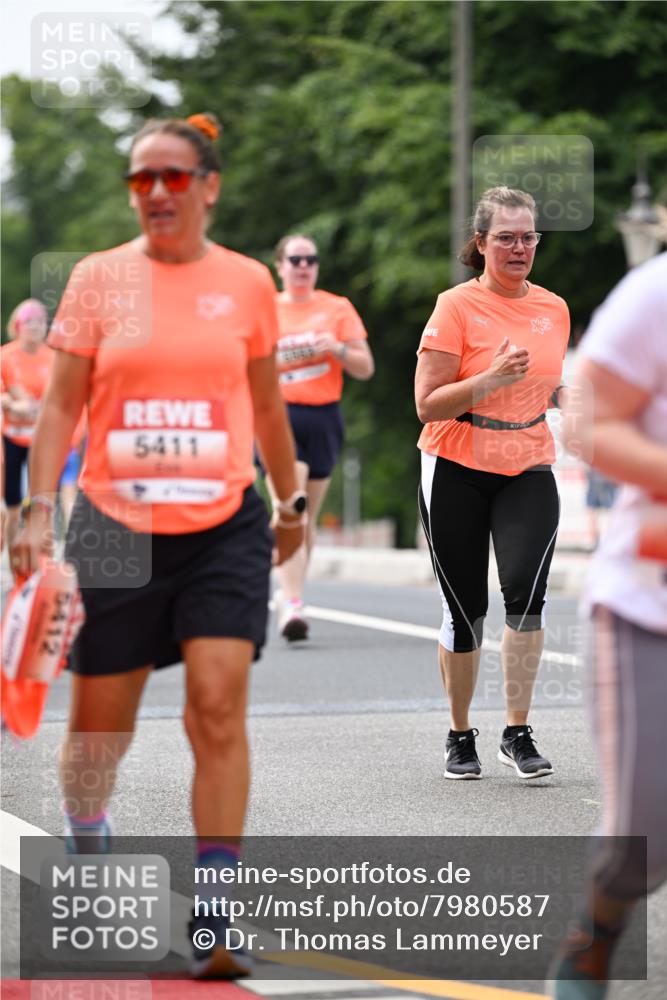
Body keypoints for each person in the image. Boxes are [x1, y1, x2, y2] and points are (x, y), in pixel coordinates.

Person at [10, 112, 305, 980]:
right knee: (99, 733)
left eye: (174, 176)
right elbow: (61, 405)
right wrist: (36, 506)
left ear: (208, 187)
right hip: (115, 530)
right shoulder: (99, 278)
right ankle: (88, 837)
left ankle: (215, 917)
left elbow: (268, 403)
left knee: (216, 707)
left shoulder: (247, 282)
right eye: (142, 178)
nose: (157, 192)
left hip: (223, 524)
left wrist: (289, 499)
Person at [414, 186, 570, 780]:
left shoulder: (554, 307)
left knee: (527, 597)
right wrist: (489, 378)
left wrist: (567, 397)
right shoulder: (455, 306)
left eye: (528, 237)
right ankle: (460, 735)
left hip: (528, 461)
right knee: (466, 610)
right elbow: (427, 404)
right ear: (481, 243)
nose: (519, 248)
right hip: (456, 462)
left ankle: (517, 731)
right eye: (506, 237)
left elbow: (544, 382)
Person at [550, 251, 667, 998]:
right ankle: (592, 939)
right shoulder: (656, 293)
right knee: (643, 836)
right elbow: (586, 420)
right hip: (649, 609)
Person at [270, 233, 374, 640]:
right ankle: (293, 604)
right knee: (290, 506)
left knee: (306, 517)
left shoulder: (337, 308)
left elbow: (365, 367)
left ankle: (289, 589)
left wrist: (336, 348)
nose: (303, 266)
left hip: (323, 417)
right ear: (280, 265)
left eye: (310, 260)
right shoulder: (265, 309)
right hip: (278, 417)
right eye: (295, 259)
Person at [1, 299, 53, 544]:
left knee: (41, 505)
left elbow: (61, 399)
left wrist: (36, 407)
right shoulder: (5, 356)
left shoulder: (54, 358)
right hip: (10, 438)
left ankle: (39, 561)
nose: (34, 327)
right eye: (29, 321)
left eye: (40, 322)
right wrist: (11, 403)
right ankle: (9, 558)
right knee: (11, 507)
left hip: (41, 440)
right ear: (17, 326)